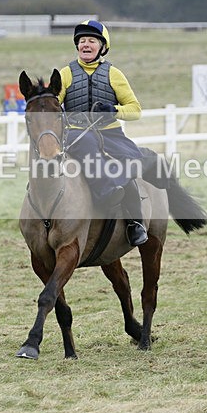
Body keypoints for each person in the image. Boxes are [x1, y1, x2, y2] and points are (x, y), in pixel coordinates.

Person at [57, 19, 148, 246]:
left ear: (102, 46)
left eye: (92, 41)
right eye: (82, 41)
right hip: (76, 134)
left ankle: (135, 224)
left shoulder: (114, 74)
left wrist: (114, 110)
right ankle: (107, 193)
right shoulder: (65, 74)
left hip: (110, 134)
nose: (86, 45)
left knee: (132, 161)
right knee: (86, 143)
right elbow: (53, 106)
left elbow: (135, 110)